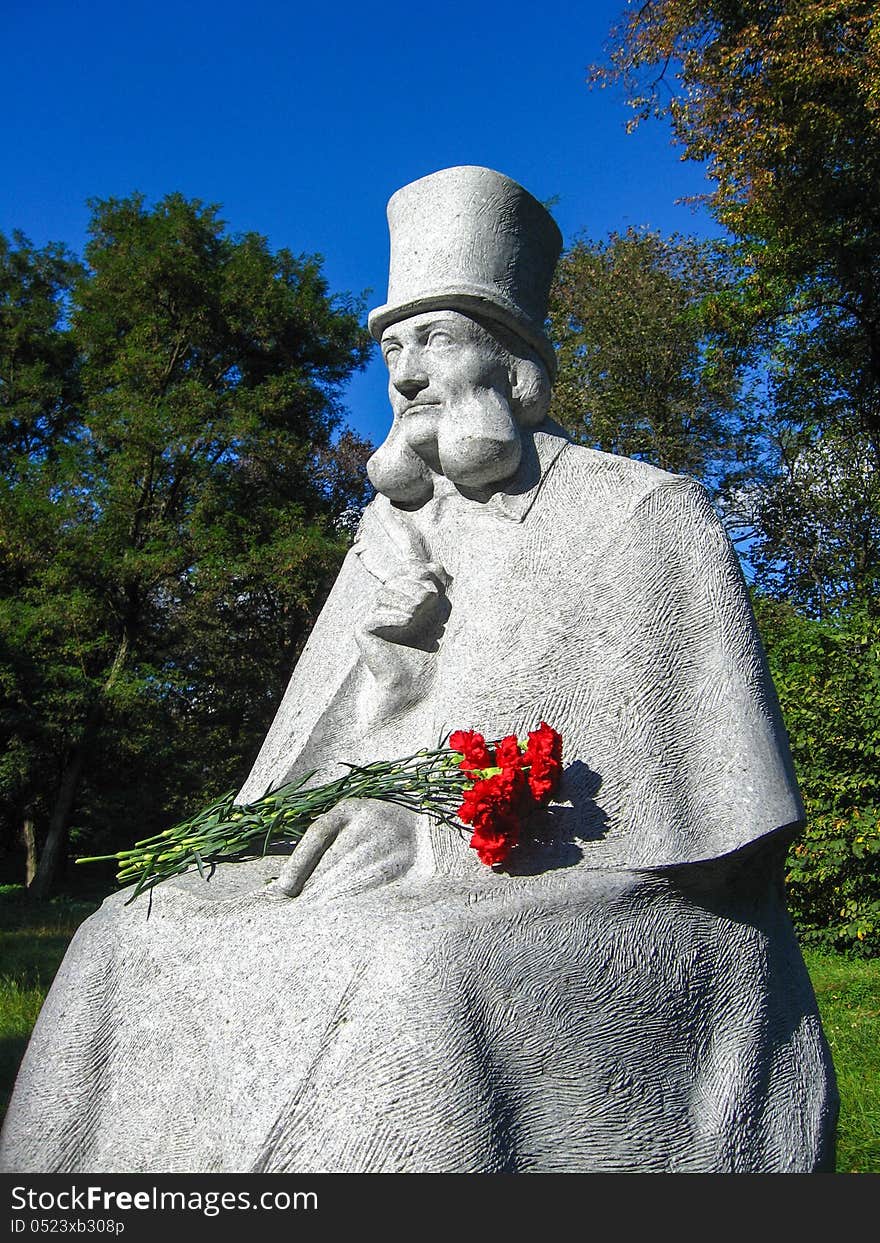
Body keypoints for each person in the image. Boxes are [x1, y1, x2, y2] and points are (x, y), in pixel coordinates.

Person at [0, 167, 838, 1174]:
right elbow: (309, 761)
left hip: (614, 892)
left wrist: (436, 836)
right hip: (391, 863)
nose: (403, 375)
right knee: (122, 935)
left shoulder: (644, 510)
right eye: (392, 347)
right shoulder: (388, 531)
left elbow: (694, 810)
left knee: (416, 965)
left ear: (511, 356)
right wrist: (387, 652)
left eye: (435, 337)